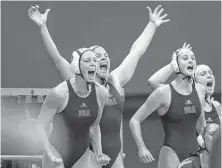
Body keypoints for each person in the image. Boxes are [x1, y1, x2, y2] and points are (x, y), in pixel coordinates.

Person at [28, 4, 170, 168]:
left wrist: (152, 25)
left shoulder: (114, 80)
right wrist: (43, 27)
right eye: (96, 56)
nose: (103, 58)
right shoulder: (77, 81)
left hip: (114, 154)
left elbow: (136, 52)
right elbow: (57, 58)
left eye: (106, 55)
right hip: (88, 154)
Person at [129, 45, 206, 168]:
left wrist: (208, 144)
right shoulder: (163, 93)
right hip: (171, 154)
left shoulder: (200, 90)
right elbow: (134, 120)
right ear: (176, 64)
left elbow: (201, 125)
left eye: (193, 58)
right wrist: (141, 147)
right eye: (185, 58)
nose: (191, 60)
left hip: (196, 153)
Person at [33, 47, 110, 168]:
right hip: (56, 152)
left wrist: (99, 153)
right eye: (87, 60)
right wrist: (49, 152)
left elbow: (95, 126)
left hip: (82, 155)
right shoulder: (59, 94)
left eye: (94, 60)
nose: (92, 64)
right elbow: (39, 125)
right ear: (76, 66)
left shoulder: (102, 93)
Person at [147, 43, 221, 125]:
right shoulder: (185, 100)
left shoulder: (216, 105)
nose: (209, 76)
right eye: (203, 74)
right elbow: (153, 82)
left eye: (210, 73)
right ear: (194, 80)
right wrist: (174, 63)